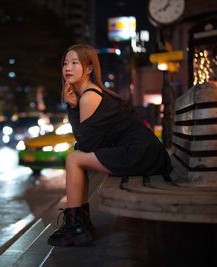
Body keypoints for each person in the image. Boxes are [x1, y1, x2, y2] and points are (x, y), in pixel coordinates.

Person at [47, 44, 171, 247]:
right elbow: (87, 141)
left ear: (89, 69)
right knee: (76, 158)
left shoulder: (89, 96)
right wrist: (73, 107)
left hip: (141, 153)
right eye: (65, 63)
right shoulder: (89, 94)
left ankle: (76, 227)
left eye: (75, 63)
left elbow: (86, 143)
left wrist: (72, 108)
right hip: (145, 152)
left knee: (74, 158)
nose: (68, 68)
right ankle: (80, 224)